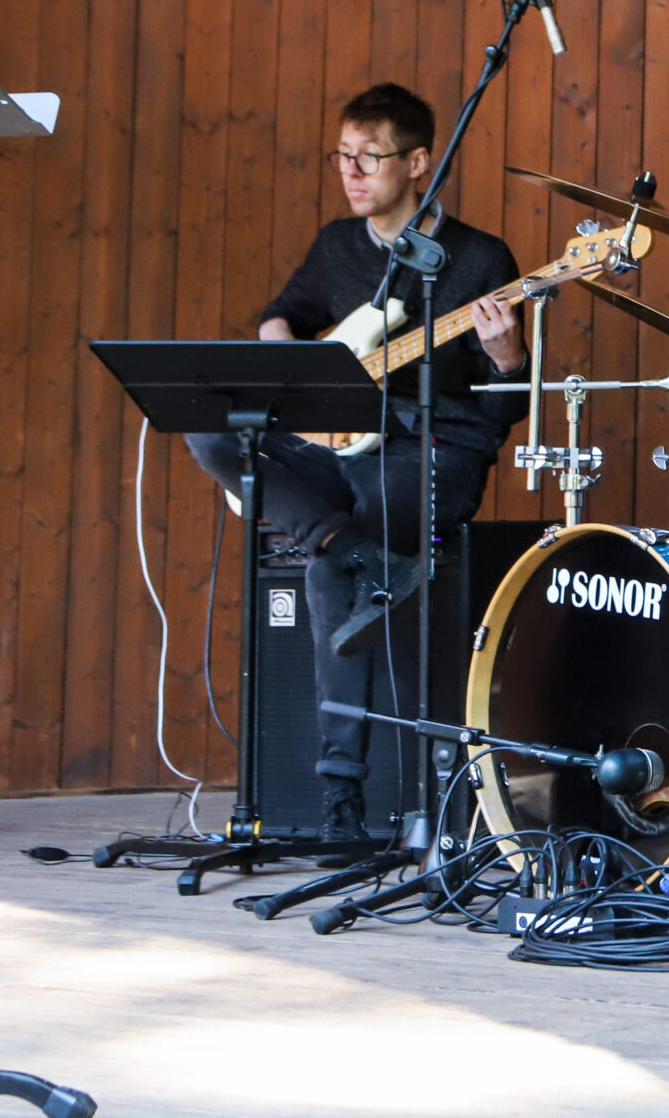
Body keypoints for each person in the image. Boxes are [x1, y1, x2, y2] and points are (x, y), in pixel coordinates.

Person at [185, 83, 532, 841]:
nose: (350, 172)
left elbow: (507, 414)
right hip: (342, 446)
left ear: (418, 162)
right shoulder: (337, 245)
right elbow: (282, 316)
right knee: (208, 428)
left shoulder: (480, 259)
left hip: (436, 452)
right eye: (342, 156)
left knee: (327, 567)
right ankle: (349, 547)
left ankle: (340, 796)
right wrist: (287, 361)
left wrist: (509, 357)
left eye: (368, 157)